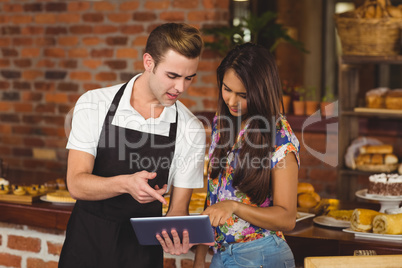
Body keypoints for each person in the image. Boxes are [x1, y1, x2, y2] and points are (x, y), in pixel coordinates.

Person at [59, 23, 206, 268]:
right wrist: (125, 184)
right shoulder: (94, 104)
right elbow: (76, 183)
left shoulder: (191, 128)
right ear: (148, 62)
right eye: (172, 76)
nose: (181, 87)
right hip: (86, 246)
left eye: (189, 78)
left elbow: (178, 209)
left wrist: (177, 236)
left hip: (140, 255)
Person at [194, 43, 300, 268]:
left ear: (261, 90)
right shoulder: (221, 125)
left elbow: (288, 218)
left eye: (242, 94)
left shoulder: (279, 135)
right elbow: (214, 198)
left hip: (262, 254)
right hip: (221, 255)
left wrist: (234, 206)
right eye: (227, 89)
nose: (231, 101)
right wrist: (199, 258)